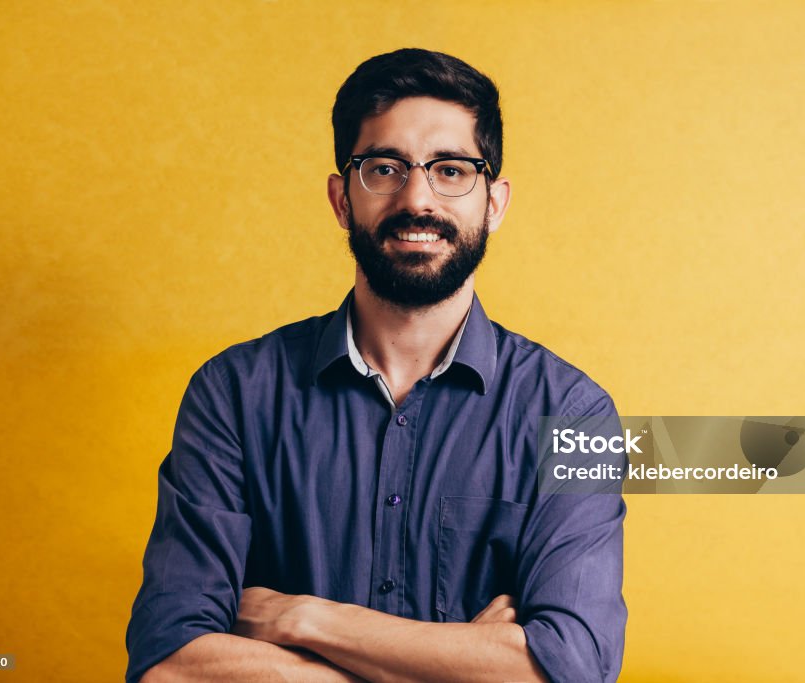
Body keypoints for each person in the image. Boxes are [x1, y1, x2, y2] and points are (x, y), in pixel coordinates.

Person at [126, 48, 627, 683]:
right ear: (342, 199)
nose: (417, 198)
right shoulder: (232, 395)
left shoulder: (575, 415)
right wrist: (455, 666)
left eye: (451, 170)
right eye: (384, 168)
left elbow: (573, 671)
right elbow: (169, 665)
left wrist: (303, 620)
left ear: (494, 203)